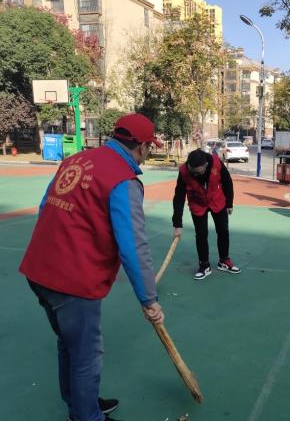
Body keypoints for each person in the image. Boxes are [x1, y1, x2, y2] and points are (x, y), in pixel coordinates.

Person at [19, 113, 165, 421]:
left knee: (68, 342)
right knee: (86, 355)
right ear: (141, 146)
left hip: (38, 269)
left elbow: (46, 206)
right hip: (71, 281)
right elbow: (134, 247)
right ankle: (86, 415)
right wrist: (149, 299)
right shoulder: (123, 181)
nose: (148, 152)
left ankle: (80, 404)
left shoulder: (76, 160)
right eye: (149, 147)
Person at [172, 149, 240, 280]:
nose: (195, 175)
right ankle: (204, 265)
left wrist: (229, 203)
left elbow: (227, 181)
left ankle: (224, 261)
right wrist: (177, 224)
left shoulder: (216, 164)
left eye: (199, 172)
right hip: (197, 203)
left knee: (223, 231)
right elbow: (179, 197)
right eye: (193, 172)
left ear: (206, 165)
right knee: (201, 235)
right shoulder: (184, 171)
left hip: (217, 200)